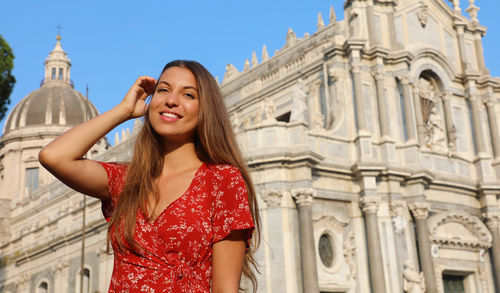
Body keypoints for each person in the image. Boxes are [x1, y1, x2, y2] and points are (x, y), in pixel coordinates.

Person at [38, 60, 260, 292]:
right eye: (163, 90)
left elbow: (225, 288)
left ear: (206, 109)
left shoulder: (222, 180)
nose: (171, 100)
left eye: (188, 95)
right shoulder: (125, 181)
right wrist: (123, 111)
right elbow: (53, 156)